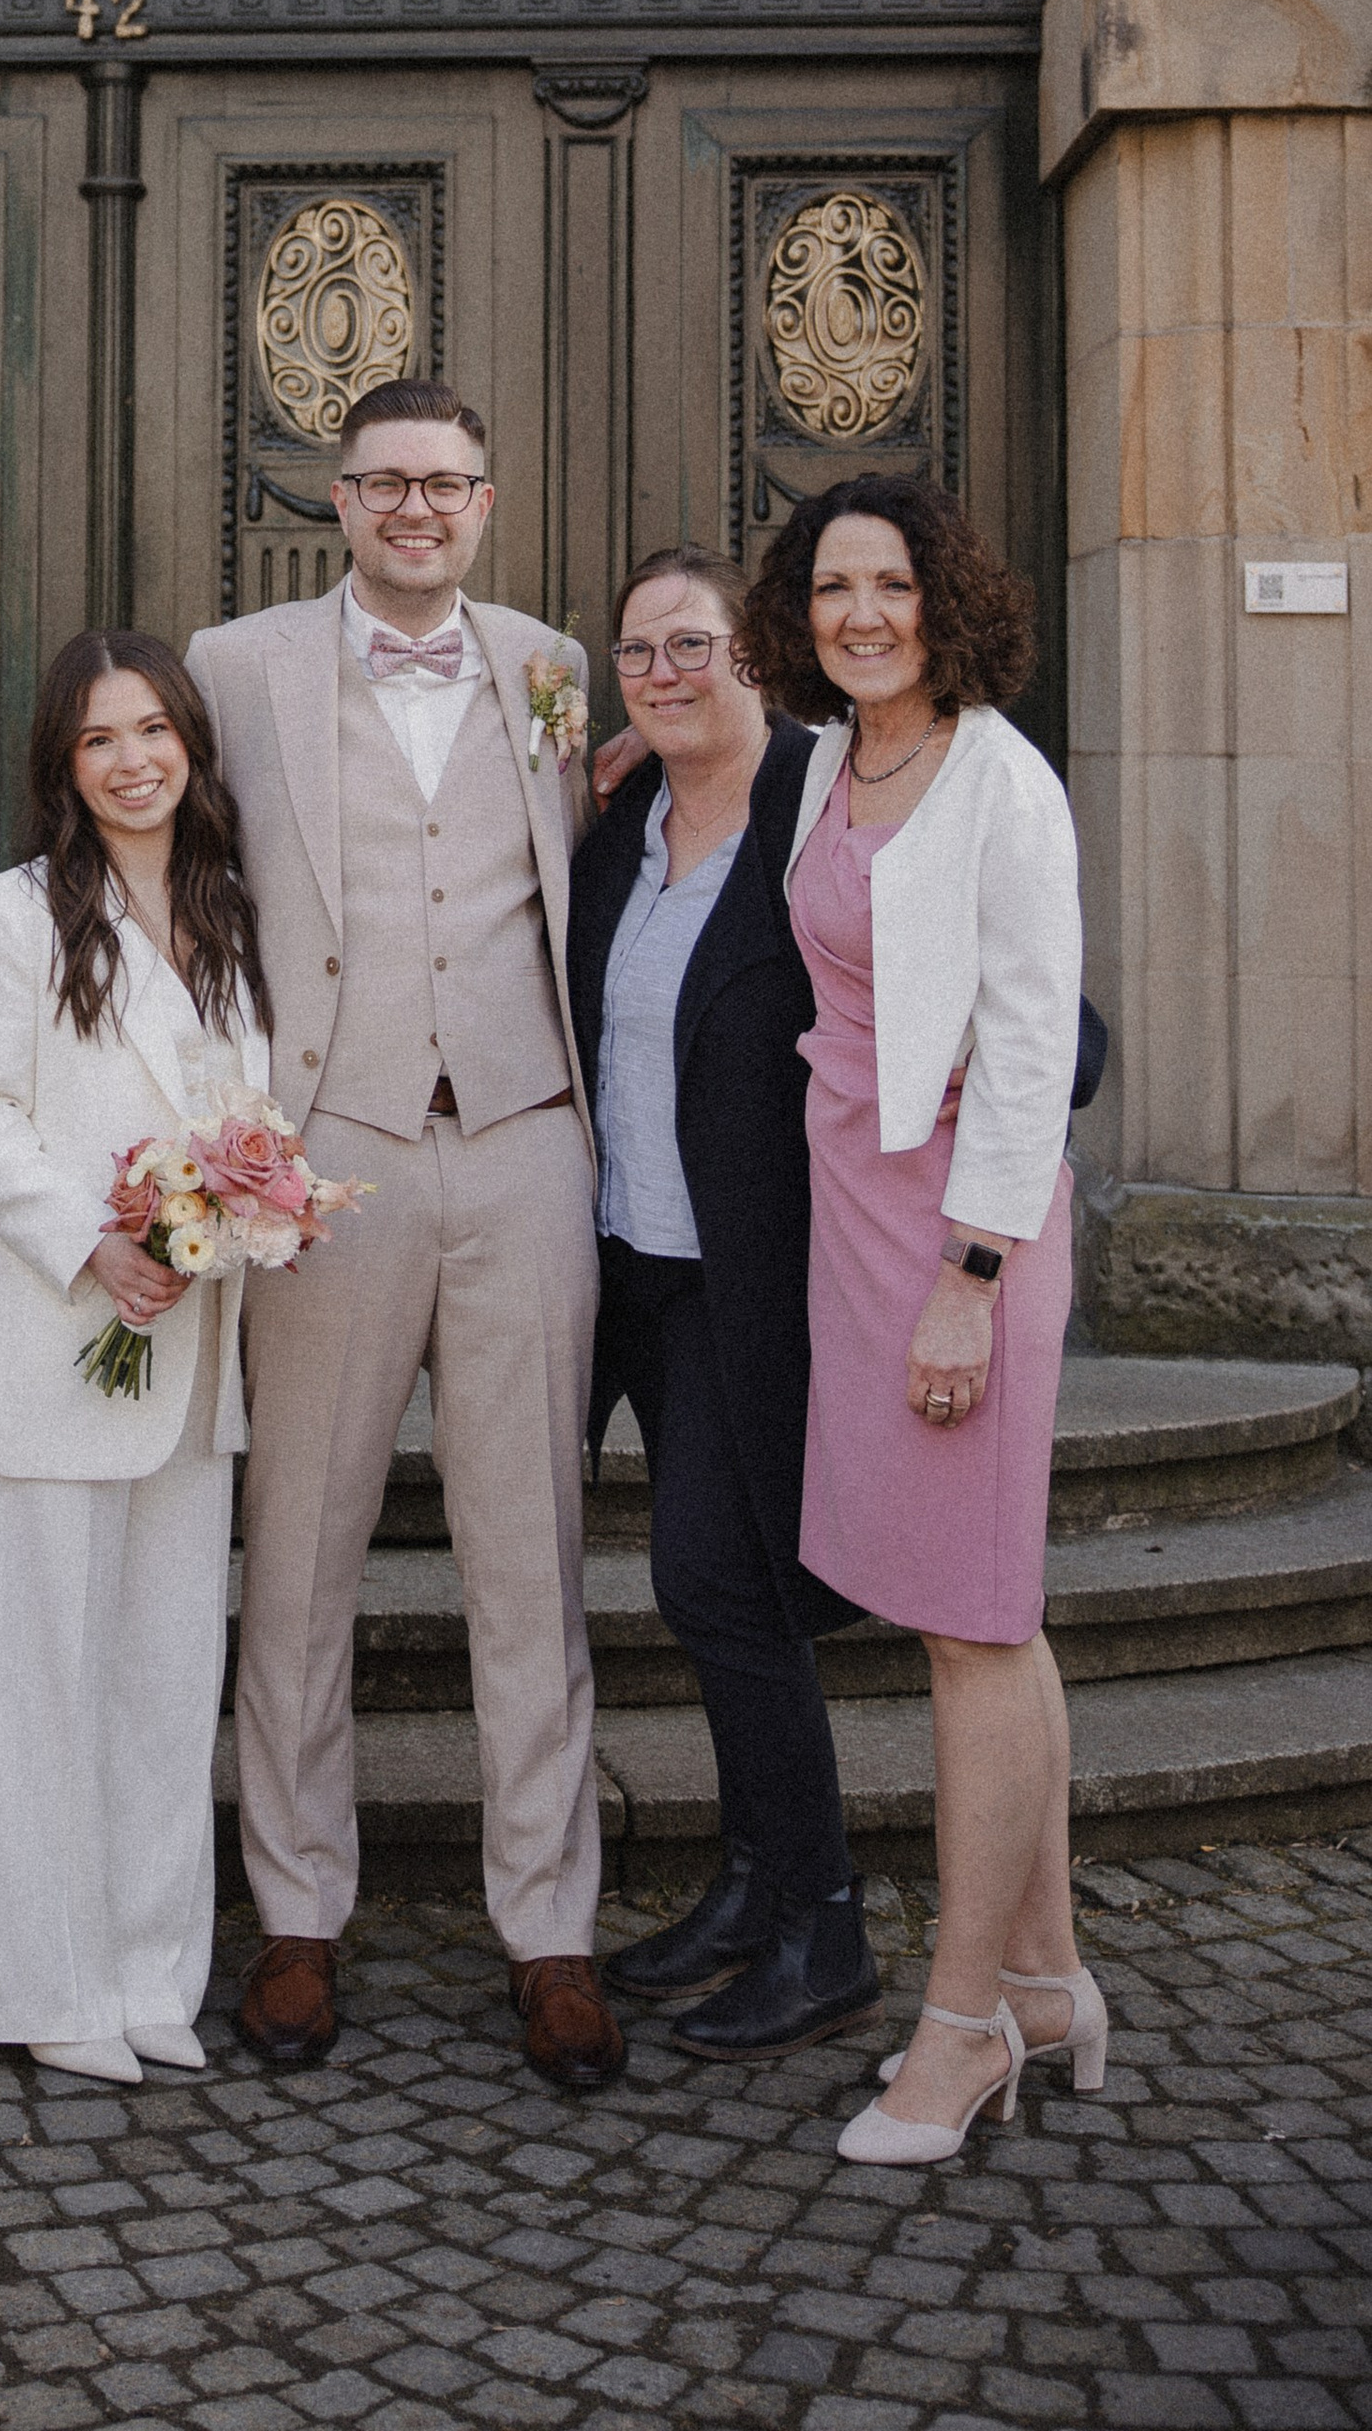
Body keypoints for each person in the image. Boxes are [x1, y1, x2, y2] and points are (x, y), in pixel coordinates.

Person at [188, 380, 619, 2092]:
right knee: (299, 1552)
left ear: (486, 500)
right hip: (329, 1150)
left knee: (538, 1562)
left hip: (522, 1144)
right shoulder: (237, 670)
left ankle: (554, 1931)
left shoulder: (557, 666)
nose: (416, 507)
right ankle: (297, 1912)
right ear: (341, 499)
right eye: (385, 483)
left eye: (445, 483)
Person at [736, 473, 1097, 2164]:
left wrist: (973, 1278)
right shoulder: (824, 759)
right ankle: (1045, 1975)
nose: (859, 613)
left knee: (969, 1619)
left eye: (887, 584)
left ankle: (957, 2036)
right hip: (856, 1206)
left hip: (967, 1227)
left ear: (943, 598)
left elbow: (1032, 1042)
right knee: (987, 1616)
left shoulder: (1002, 780)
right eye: (829, 589)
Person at [0, 631, 269, 2086]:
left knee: (160, 1687)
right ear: (62, 769)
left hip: (192, 1359)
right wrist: (93, 1242)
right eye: (99, 740)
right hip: (62, 1345)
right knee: (42, 1690)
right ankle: (42, 1980)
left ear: (189, 741)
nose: (134, 761)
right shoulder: (9, 917)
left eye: (154, 731)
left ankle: (149, 1975)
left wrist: (258, 1208)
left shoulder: (231, 914)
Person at [567, 546, 879, 2056]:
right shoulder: (619, 821)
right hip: (624, 1258)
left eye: (694, 644)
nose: (667, 673)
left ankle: (825, 1925)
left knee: (713, 1581)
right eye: (638, 652)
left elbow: (997, 1010)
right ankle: (756, 1888)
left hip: (759, 1279)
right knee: (722, 1585)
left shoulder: (827, 804)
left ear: (755, 655)